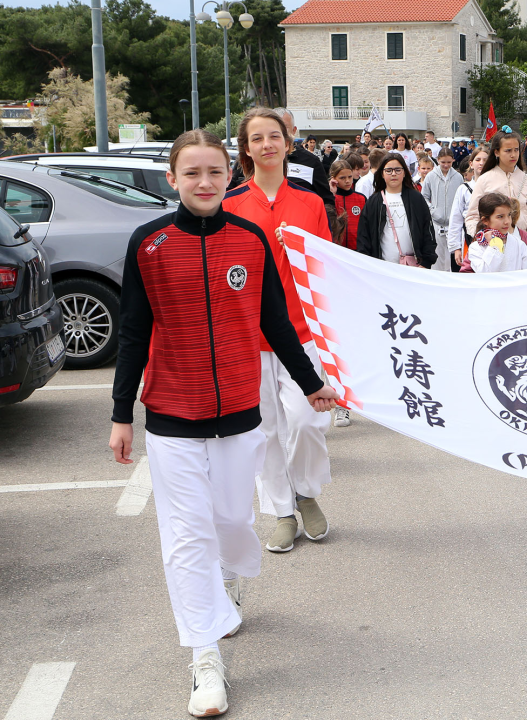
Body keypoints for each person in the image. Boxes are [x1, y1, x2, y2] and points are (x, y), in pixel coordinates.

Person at [109, 129, 338, 718]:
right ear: (173, 179)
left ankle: (231, 582)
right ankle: (204, 656)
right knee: (186, 536)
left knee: (234, 521)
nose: (205, 183)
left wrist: (310, 383)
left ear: (226, 173)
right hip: (171, 415)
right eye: (192, 174)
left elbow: (277, 323)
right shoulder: (148, 243)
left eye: (214, 172)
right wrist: (121, 415)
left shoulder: (251, 239)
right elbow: (133, 333)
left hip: (240, 411)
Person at [223, 108, 336, 556]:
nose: (267, 144)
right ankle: (282, 512)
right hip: (248, 338)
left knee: (309, 421)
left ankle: (306, 491)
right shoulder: (230, 205)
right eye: (257, 138)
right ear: (246, 149)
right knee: (265, 430)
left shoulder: (309, 201)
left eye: (275, 136)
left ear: (289, 143)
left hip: (302, 334)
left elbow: (327, 267)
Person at [355, 153, 438, 267]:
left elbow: (428, 231)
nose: (393, 174)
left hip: (414, 268)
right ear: (382, 174)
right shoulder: (374, 202)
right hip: (382, 268)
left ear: (404, 172)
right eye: (389, 170)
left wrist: (426, 262)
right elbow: (364, 236)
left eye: (398, 170)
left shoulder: (416, 198)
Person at [465, 131, 527, 245]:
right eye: (508, 150)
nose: (513, 154)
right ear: (496, 152)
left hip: (522, 245)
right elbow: (472, 216)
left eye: (516, 150)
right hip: (492, 246)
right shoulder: (484, 180)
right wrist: (483, 239)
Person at [272, 108, 336, 225]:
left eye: (284, 127)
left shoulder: (311, 162)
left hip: (301, 232)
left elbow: (326, 201)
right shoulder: (255, 161)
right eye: (274, 128)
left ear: (294, 130)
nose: (278, 132)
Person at [460, 193, 527, 273]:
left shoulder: (519, 245)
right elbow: (484, 273)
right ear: (485, 220)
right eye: (500, 217)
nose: (507, 221)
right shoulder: (476, 248)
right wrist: (494, 247)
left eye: (509, 215)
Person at [422, 147, 464, 272]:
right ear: (438, 160)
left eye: (449, 162)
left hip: (453, 224)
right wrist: (432, 210)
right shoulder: (430, 176)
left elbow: (460, 198)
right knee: (437, 256)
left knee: (453, 256)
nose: (446, 165)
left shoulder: (458, 177)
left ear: (453, 161)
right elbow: (424, 197)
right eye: (443, 162)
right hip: (436, 222)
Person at [448, 148, 488, 271]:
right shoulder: (463, 189)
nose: (481, 163)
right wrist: (456, 248)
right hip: (468, 238)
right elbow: (456, 219)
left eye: (485, 160)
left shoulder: (496, 187)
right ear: (471, 163)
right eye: (478, 159)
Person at [330, 158, 365, 252]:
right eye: (342, 178)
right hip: (336, 249)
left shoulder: (361, 198)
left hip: (357, 249)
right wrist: (331, 195)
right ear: (333, 178)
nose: (347, 181)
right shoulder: (330, 199)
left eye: (350, 177)